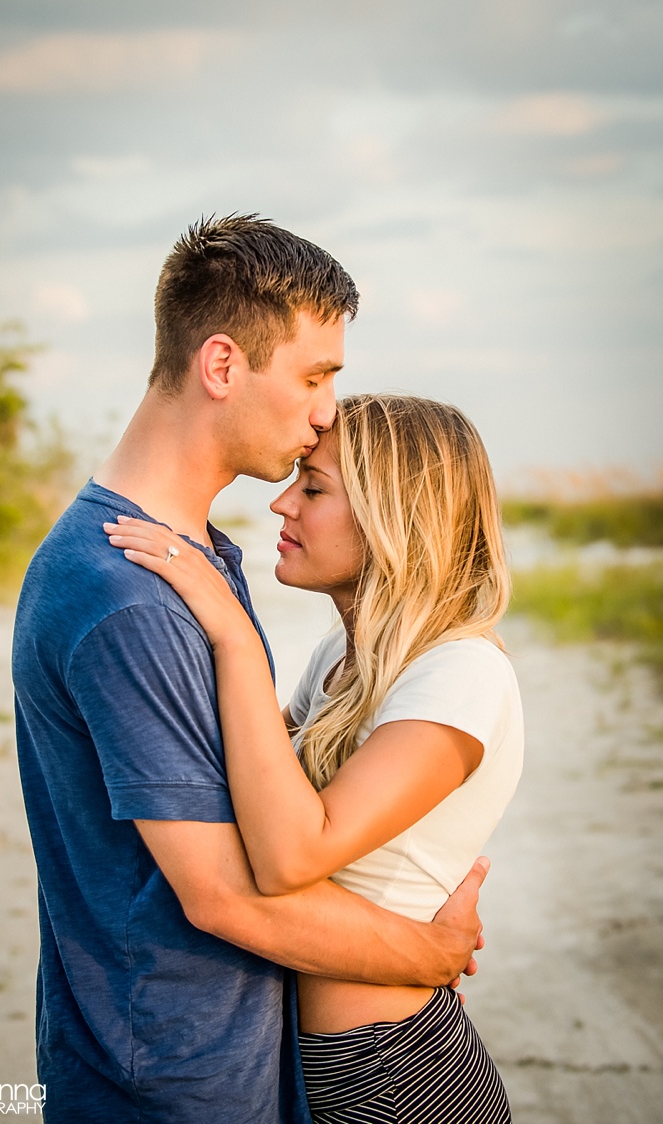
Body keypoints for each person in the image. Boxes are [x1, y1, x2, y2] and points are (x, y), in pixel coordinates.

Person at [12, 215, 489, 1124]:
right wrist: (428, 954)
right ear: (223, 366)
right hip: (171, 1083)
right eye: (315, 376)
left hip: (215, 1060)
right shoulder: (130, 595)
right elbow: (228, 897)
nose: (328, 411)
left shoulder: (190, 561)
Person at [104, 393, 524, 1123]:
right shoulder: (344, 655)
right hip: (324, 1066)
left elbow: (290, 855)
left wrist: (234, 637)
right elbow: (242, 785)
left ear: (396, 516)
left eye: (315, 488)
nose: (282, 504)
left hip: (393, 1074)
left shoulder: (460, 673)